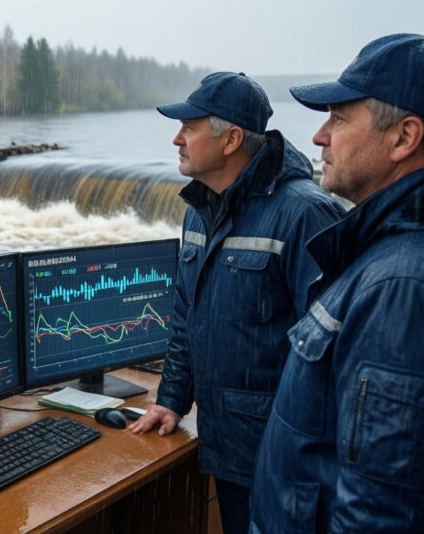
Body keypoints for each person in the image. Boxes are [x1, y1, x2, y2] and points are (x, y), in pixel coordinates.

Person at [250, 34, 424, 533]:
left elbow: (388, 515)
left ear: (404, 138)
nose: (319, 136)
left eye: (339, 119)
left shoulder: (408, 292)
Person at [129, 72, 343, 534]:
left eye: (189, 127)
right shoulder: (199, 210)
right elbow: (186, 314)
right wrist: (171, 400)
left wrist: (301, 456)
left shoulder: (305, 213)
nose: (177, 138)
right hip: (224, 450)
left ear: (231, 140)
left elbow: (331, 355)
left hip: (283, 464)